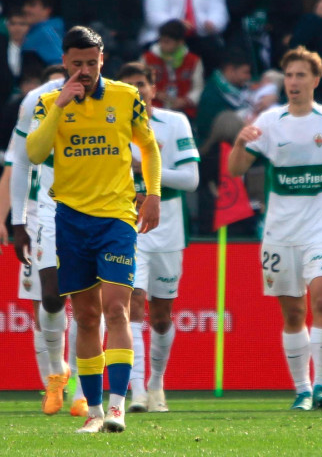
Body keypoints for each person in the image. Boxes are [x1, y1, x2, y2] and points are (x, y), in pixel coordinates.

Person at [26, 26, 162, 433]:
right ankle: (94, 412)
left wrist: (152, 194)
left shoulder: (125, 96)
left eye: (91, 62)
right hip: (70, 219)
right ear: (65, 62)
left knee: (116, 308)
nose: (84, 70)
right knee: (85, 317)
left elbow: (149, 146)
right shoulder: (49, 101)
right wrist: (59, 106)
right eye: (76, 63)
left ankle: (117, 408)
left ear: (102, 60)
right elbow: (34, 152)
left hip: (117, 217)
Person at [227, 46, 322, 411]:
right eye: (289, 75)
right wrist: (242, 141)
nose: (293, 82)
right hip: (279, 230)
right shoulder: (271, 121)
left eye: (301, 75)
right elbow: (235, 170)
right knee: (292, 313)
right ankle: (302, 390)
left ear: (315, 80)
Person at [117, 62, 199, 414]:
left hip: (168, 229)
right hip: (125, 226)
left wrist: (145, 169)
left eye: (141, 85)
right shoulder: (112, 127)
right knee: (131, 304)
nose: (137, 92)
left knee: (162, 315)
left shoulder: (175, 122)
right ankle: (135, 393)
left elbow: (192, 179)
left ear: (152, 88)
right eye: (129, 87)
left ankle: (156, 384)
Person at [0, 64, 67, 401]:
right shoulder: (32, 113)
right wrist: (2, 221)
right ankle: (51, 380)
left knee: (81, 301)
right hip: (35, 216)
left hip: (75, 211)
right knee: (41, 301)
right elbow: (12, 171)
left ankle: (75, 378)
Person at [141, 19, 204, 121]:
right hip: (153, 110)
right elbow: (138, 83)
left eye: (167, 42)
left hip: (184, 113)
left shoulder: (193, 61)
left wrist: (185, 101)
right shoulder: (148, 59)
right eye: (161, 40)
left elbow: (198, 88)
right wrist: (155, 93)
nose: (162, 45)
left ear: (180, 42)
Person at [22, 0, 64, 66]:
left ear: (47, 10)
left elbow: (62, 62)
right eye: (25, 5)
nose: (25, 9)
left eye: (32, 5)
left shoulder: (47, 32)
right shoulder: (32, 31)